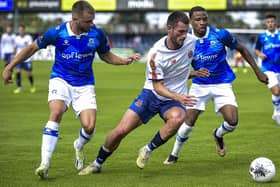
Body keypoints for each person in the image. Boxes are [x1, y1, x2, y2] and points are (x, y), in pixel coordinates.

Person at [2, 0, 140, 179]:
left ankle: (79, 145)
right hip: (61, 79)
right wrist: (10, 66)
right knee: (56, 112)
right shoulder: (57, 33)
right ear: (75, 19)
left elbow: (105, 55)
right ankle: (45, 164)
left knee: (89, 127)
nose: (92, 24)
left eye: (93, 20)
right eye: (88, 21)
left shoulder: (96, 33)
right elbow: (31, 48)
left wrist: (124, 60)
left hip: (85, 84)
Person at [78, 11, 204, 175]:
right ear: (169, 29)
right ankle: (97, 163)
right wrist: (179, 96)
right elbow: (158, 86)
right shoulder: (156, 54)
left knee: (178, 118)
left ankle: (147, 149)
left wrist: (195, 73)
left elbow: (179, 70)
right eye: (180, 32)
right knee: (121, 131)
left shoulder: (191, 42)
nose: (184, 35)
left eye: (186, 31)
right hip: (151, 95)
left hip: (172, 100)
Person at [163, 6, 268, 164]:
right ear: (190, 22)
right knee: (189, 121)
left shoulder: (220, 34)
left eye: (204, 18)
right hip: (199, 85)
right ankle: (174, 154)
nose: (202, 22)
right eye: (198, 19)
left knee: (232, 121)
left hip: (222, 83)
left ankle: (218, 134)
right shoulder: (185, 41)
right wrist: (192, 74)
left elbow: (242, 49)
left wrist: (258, 72)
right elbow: (177, 69)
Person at [255, 14, 280, 125]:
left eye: (272, 21)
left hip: (278, 68)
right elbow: (256, 49)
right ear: (266, 24)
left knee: (277, 93)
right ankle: (277, 112)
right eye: (268, 22)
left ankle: (276, 111)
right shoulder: (261, 37)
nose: (270, 23)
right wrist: (260, 54)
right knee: (276, 91)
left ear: (275, 22)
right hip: (267, 68)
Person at [13, 24, 36, 94]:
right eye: (19, 30)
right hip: (18, 58)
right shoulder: (16, 38)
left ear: (24, 30)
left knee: (29, 74)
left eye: (22, 30)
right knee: (18, 72)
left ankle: (32, 86)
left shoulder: (28, 37)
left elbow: (30, 47)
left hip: (27, 58)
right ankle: (19, 87)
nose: (21, 31)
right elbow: (15, 47)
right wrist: (14, 56)